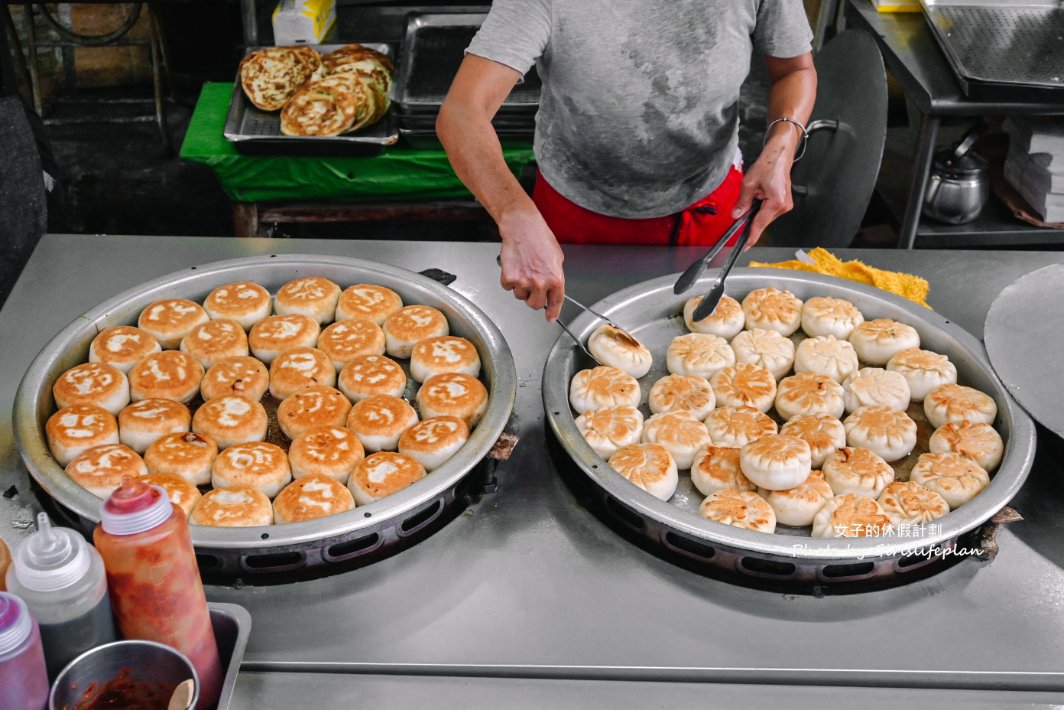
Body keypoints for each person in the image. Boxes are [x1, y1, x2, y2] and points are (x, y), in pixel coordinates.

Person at [437, 1, 817, 322]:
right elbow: (462, 113)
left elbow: (795, 70)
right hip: (574, 216)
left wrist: (782, 147)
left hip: (712, 209)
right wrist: (515, 215)